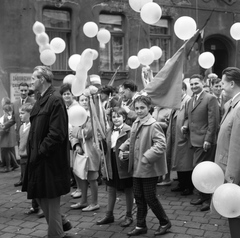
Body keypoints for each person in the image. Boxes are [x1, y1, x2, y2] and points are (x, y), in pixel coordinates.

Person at [22, 66, 73, 238]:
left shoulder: (55, 100)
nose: (31, 81)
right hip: (39, 158)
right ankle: (62, 222)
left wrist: (40, 151)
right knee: (39, 194)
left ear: (42, 79)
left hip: (49, 160)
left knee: (50, 200)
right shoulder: (42, 98)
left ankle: (56, 234)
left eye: (33, 78)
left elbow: (57, 133)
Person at [119, 95, 171, 236]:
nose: (139, 111)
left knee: (150, 198)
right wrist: (123, 147)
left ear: (149, 108)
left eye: (142, 108)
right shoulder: (136, 122)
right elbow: (132, 139)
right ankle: (141, 225)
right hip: (137, 168)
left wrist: (147, 157)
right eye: (137, 108)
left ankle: (165, 222)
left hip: (148, 169)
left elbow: (161, 144)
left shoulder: (153, 125)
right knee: (139, 197)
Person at [182, 74, 220, 212]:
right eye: (191, 84)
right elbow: (188, 117)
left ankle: (208, 199)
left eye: (196, 83)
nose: (193, 86)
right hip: (193, 140)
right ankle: (201, 196)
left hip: (204, 141)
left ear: (203, 83)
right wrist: (185, 125)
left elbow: (213, 121)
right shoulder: (191, 100)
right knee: (198, 170)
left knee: (204, 172)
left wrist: (208, 139)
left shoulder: (210, 99)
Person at [96, 107, 133, 227]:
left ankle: (129, 215)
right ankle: (109, 215)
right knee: (111, 188)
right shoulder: (108, 131)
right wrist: (101, 143)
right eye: (113, 116)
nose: (116, 119)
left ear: (124, 117)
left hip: (123, 162)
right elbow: (105, 148)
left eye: (118, 116)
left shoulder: (129, 130)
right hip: (111, 162)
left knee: (128, 188)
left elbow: (131, 146)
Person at [214, 67, 240, 238]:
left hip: (234, 175)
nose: (221, 86)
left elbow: (237, 146)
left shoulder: (238, 108)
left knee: (235, 214)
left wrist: (231, 179)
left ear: (232, 83)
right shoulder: (233, 104)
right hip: (230, 169)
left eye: (222, 83)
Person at [70, 93, 101, 212]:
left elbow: (87, 132)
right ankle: (83, 200)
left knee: (92, 176)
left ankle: (95, 202)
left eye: (86, 100)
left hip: (91, 150)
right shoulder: (76, 114)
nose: (84, 102)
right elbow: (73, 134)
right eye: (81, 100)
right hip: (80, 150)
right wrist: (76, 144)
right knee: (80, 175)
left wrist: (76, 130)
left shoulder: (93, 116)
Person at [17, 102, 44, 218]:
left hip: (30, 157)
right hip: (23, 158)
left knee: (34, 182)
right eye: (19, 113)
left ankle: (42, 207)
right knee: (27, 183)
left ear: (30, 114)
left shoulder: (33, 127)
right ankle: (34, 206)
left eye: (22, 113)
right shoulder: (22, 126)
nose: (20, 116)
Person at [168, 82, 194, 196]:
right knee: (178, 160)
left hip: (183, 135)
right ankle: (181, 183)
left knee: (185, 162)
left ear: (183, 89)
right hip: (175, 135)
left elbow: (189, 116)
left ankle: (188, 186)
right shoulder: (177, 102)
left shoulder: (188, 100)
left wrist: (186, 126)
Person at [59, 83, 81, 199]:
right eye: (64, 94)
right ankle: (76, 184)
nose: (66, 96)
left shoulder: (76, 107)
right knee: (71, 163)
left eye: (68, 94)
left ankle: (79, 187)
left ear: (73, 95)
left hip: (74, 138)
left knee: (76, 163)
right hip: (66, 137)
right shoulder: (63, 106)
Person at [0, 103, 19, 172]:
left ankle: (8, 167)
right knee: (9, 151)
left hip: (5, 138)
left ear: (4, 110)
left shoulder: (5, 117)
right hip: (10, 138)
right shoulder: (10, 117)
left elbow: (6, 129)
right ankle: (15, 164)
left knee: (6, 152)